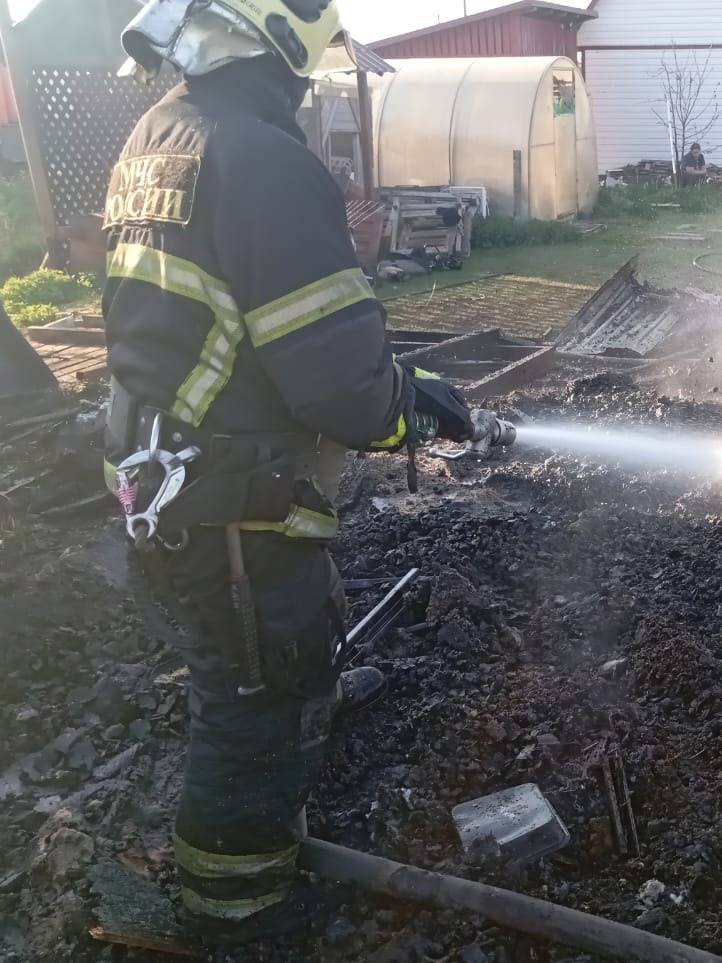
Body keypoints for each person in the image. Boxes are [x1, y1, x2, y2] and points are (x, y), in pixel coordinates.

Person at [101, 0, 477, 946]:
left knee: (250, 669)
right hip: (234, 508)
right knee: (255, 705)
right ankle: (237, 910)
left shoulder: (163, 135)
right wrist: (404, 403)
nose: (303, 95)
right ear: (278, 47)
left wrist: (399, 386)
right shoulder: (264, 160)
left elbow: (230, 329)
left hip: (169, 482)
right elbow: (337, 380)